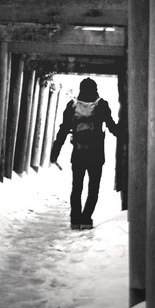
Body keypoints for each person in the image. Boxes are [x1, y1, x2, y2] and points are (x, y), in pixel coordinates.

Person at [49, 77, 119, 230]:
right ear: (95, 89)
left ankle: (75, 220)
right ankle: (86, 219)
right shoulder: (102, 105)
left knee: (77, 188)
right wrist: (126, 135)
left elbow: (62, 131)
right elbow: (112, 127)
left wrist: (55, 152)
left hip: (78, 154)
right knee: (93, 189)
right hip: (96, 155)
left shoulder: (72, 106)